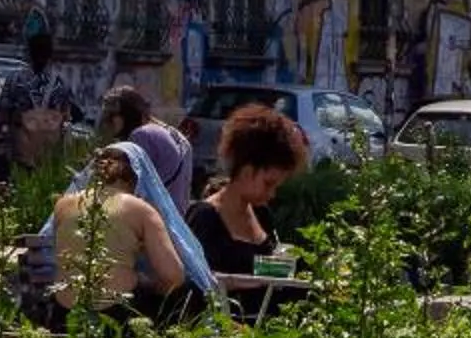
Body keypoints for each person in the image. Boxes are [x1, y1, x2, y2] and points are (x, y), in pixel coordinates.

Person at [51, 143, 192, 322]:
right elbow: (173, 275)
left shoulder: (64, 204)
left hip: (63, 312)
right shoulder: (140, 209)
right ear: (138, 177)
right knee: (181, 293)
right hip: (117, 313)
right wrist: (154, 288)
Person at [184, 104, 308, 277]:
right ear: (246, 170)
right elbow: (200, 279)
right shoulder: (205, 217)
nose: (271, 194)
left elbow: (267, 268)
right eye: (268, 184)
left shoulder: (261, 214)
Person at [0, 14, 80, 176]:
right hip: (48, 154)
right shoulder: (60, 84)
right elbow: (67, 117)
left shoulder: (15, 81)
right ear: (50, 56)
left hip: (21, 153)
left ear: (29, 53)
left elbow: (2, 115)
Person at [98, 83, 191, 205]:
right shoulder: (167, 132)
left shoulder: (141, 136)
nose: (108, 121)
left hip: (156, 214)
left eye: (113, 115)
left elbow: (129, 185)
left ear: (127, 113)